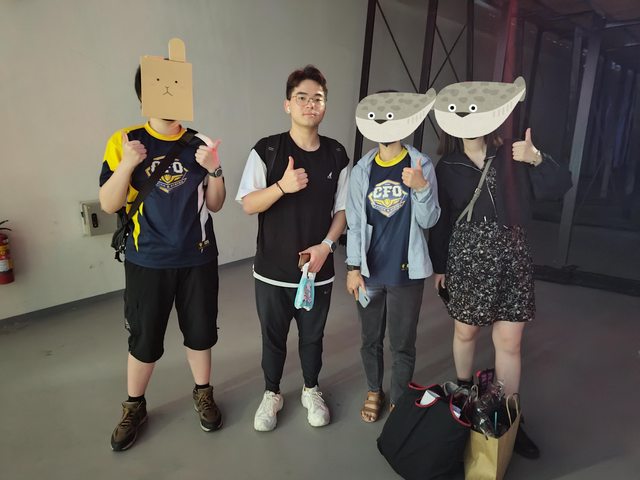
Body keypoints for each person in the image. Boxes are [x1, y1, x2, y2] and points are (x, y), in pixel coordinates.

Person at [99, 66, 226, 451]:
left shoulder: (199, 142)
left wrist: (215, 169)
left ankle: (203, 392)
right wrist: (127, 164)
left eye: (178, 87)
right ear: (144, 97)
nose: (171, 94)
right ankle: (134, 405)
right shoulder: (125, 140)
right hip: (147, 260)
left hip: (197, 259)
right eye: (162, 87)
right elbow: (109, 204)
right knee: (144, 337)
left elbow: (216, 204)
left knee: (200, 333)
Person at [429, 126, 571, 459]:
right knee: (465, 332)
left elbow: (560, 185)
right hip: (467, 260)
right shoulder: (446, 166)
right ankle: (464, 399)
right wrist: (439, 266)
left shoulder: (513, 153)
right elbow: (441, 220)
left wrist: (536, 158)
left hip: (512, 259)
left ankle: (507, 418)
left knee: (510, 342)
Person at [236, 65, 350, 432]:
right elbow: (248, 203)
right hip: (272, 270)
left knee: (313, 337)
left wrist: (326, 247)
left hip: (317, 270)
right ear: (288, 104)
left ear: (325, 106)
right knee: (272, 338)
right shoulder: (267, 149)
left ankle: (310, 389)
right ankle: (272, 393)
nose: (310, 104)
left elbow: (343, 210)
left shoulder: (336, 154)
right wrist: (282, 187)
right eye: (302, 97)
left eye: (318, 98)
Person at [345, 89, 440, 422]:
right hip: (370, 272)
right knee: (369, 338)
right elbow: (354, 223)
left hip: (406, 273)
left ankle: (399, 396)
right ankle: (374, 390)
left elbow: (430, 220)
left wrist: (422, 188)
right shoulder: (362, 170)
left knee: (402, 342)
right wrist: (353, 267)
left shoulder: (420, 164)